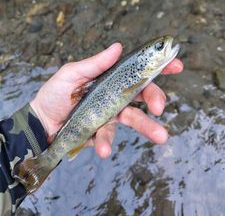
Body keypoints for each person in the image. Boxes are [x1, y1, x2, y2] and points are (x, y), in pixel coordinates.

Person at [0, 43, 183, 215]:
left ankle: (37, 165)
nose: (164, 47)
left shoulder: (141, 72)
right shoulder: (138, 72)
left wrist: (38, 121)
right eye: (159, 48)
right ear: (143, 61)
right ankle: (42, 163)